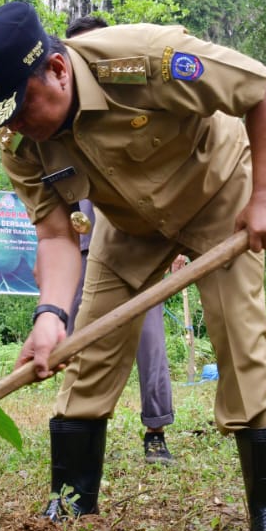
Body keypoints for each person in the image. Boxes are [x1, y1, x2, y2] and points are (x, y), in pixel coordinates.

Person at [0, 1, 266, 531]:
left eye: (22, 108)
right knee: (89, 346)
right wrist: (50, 318)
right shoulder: (21, 144)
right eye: (4, 117)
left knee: (242, 339)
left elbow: (262, 88)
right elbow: (55, 237)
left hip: (218, 196)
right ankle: (71, 501)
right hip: (129, 222)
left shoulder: (147, 60)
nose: (16, 126)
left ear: (59, 71)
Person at [66, 198, 178, 464]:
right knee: (77, 342)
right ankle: (78, 430)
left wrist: (176, 247)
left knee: (150, 341)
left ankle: (156, 431)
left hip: (140, 245)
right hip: (84, 245)